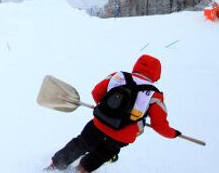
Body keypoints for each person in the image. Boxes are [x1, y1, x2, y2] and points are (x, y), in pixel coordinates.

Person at [47, 55, 181, 172]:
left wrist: (108, 108)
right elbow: (159, 125)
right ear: (157, 75)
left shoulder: (118, 76)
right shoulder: (154, 95)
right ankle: (81, 170)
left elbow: (96, 92)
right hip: (123, 134)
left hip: (100, 122)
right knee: (104, 152)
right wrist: (173, 133)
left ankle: (55, 165)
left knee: (82, 143)